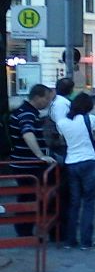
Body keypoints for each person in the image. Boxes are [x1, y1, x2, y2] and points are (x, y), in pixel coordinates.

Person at [56, 92, 95, 250]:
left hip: (71, 164)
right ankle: (86, 242)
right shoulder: (90, 119)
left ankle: (70, 240)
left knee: (74, 203)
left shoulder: (62, 122)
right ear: (88, 106)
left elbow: (63, 141)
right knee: (89, 203)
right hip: (89, 162)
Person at [7, 83, 56, 236]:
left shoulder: (23, 111)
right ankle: (25, 230)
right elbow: (27, 133)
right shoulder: (27, 114)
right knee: (32, 197)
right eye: (46, 98)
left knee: (27, 196)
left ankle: (25, 229)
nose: (48, 102)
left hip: (22, 163)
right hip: (28, 165)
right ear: (37, 97)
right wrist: (40, 155)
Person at [47, 77, 74, 237]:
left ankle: (60, 227)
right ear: (70, 90)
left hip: (59, 149)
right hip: (62, 150)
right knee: (64, 191)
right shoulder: (62, 104)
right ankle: (60, 229)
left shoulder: (56, 102)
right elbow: (62, 126)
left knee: (62, 191)